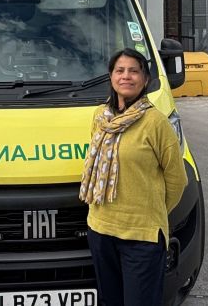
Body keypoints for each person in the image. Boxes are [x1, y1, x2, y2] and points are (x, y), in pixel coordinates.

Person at [79, 48, 188, 306]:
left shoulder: (155, 122)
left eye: (134, 71)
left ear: (145, 79)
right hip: (101, 229)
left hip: (142, 237)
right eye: (120, 70)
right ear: (111, 77)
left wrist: (151, 212)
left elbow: (177, 179)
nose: (126, 76)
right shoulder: (100, 117)